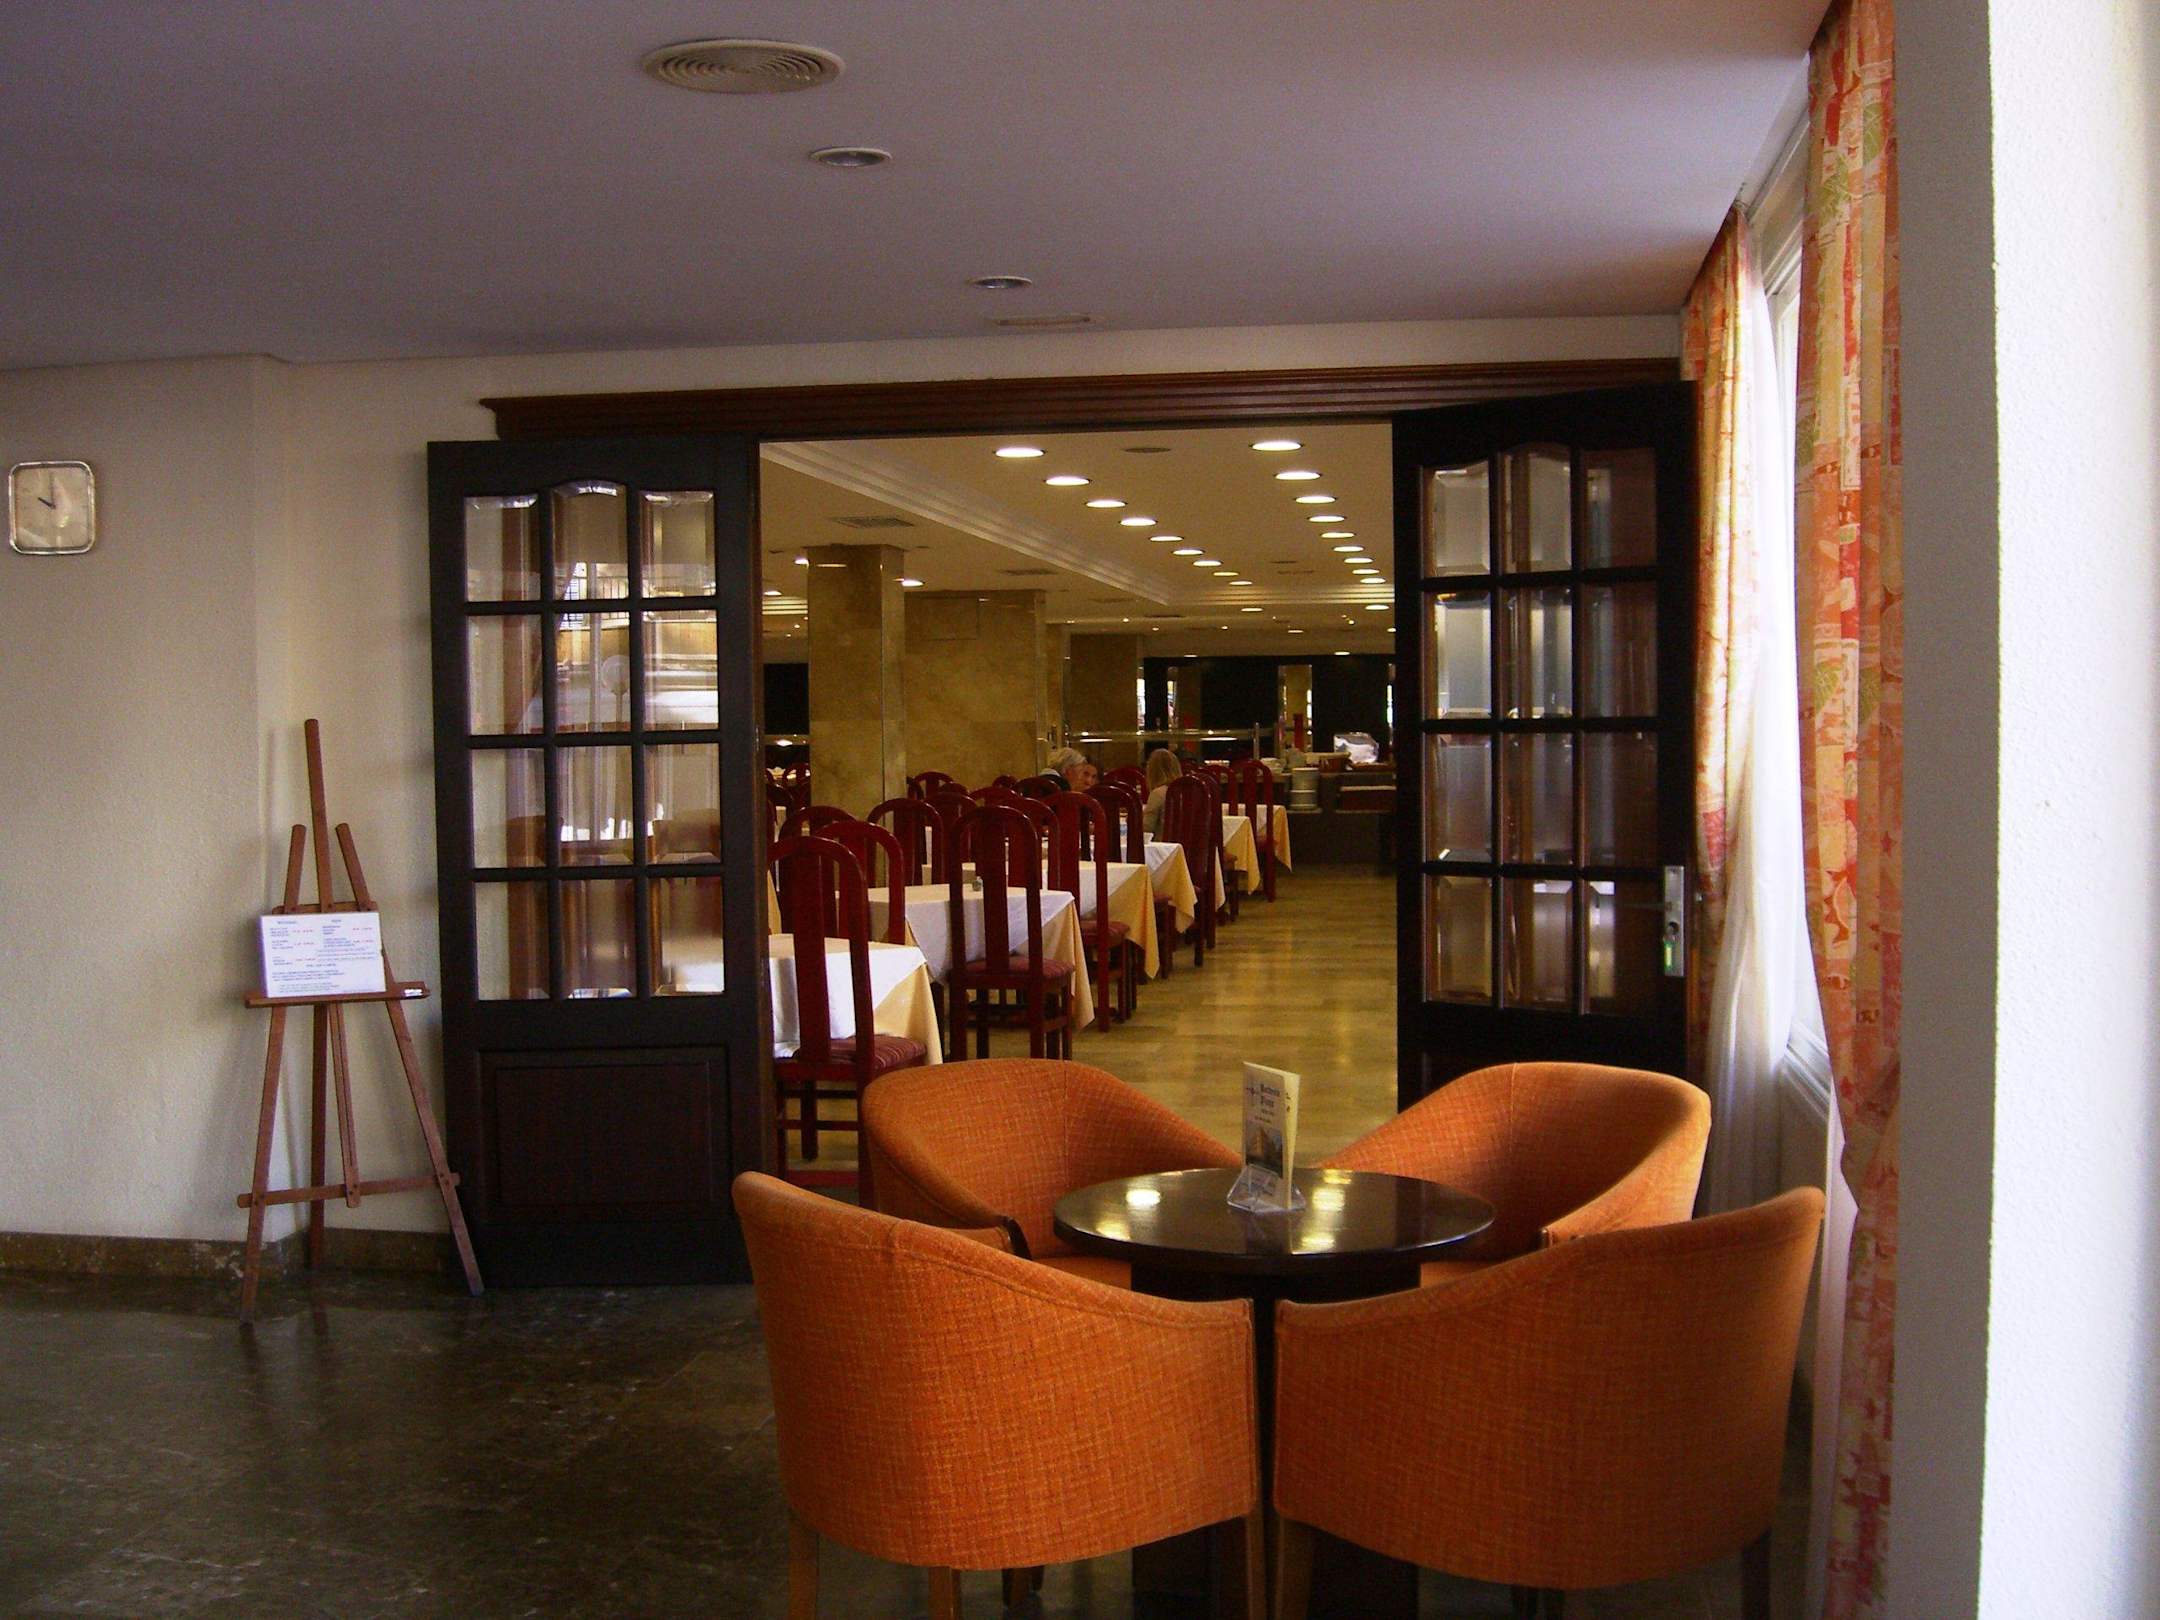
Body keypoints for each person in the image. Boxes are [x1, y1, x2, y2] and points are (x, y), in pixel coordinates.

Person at [1142, 746, 1182, 837]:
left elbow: (1147, 828)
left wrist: (1134, 819)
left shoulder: (1158, 794)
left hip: (1163, 843)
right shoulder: (1186, 792)